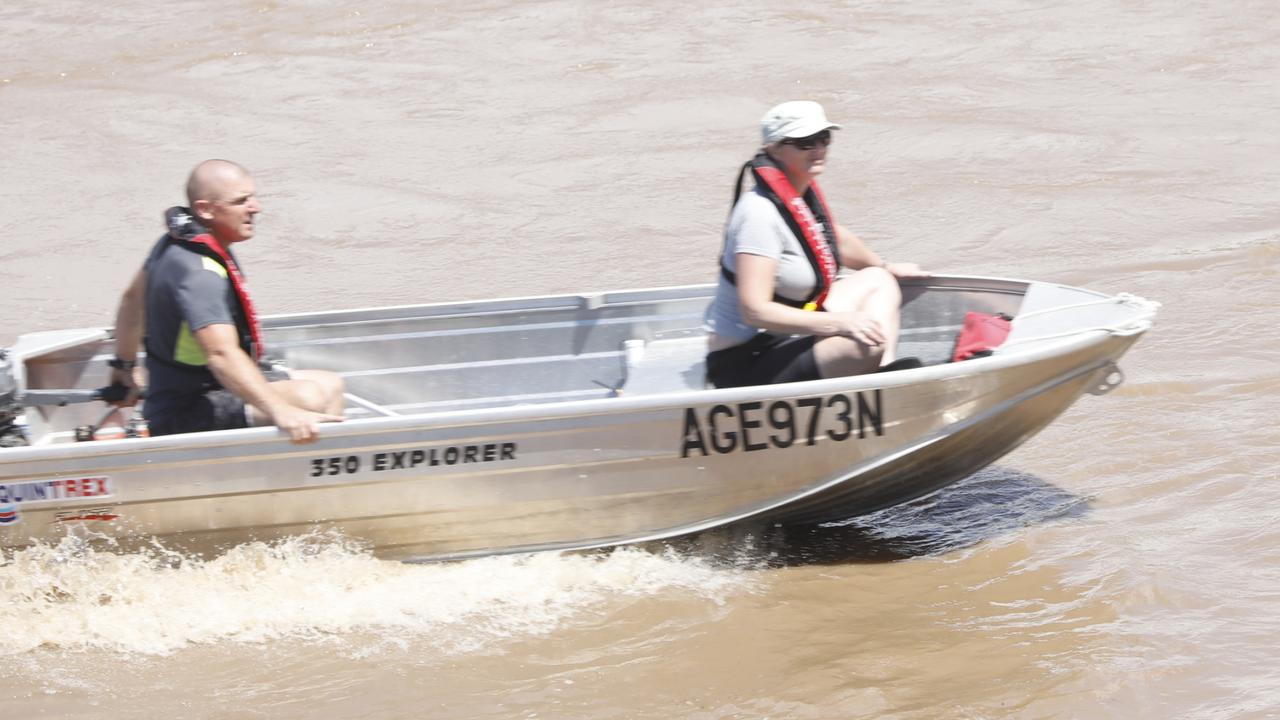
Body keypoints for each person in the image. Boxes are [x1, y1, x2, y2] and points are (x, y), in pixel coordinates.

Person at [109, 159, 345, 443]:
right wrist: (282, 411)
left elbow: (131, 301)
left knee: (332, 384)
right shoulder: (200, 274)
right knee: (308, 397)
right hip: (184, 411)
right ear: (205, 209)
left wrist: (123, 367)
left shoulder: (171, 243)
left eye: (253, 197)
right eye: (241, 201)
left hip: (203, 388)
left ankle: (314, 472)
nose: (256, 207)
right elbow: (221, 355)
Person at [703, 100, 930, 388]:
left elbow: (834, 238)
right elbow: (755, 311)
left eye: (824, 139)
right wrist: (841, 323)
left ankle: (883, 378)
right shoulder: (757, 215)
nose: (819, 149)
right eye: (805, 142)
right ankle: (873, 374)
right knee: (864, 344)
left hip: (788, 335)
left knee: (879, 280)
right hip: (746, 361)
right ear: (774, 148)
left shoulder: (797, 196)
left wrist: (886, 266)